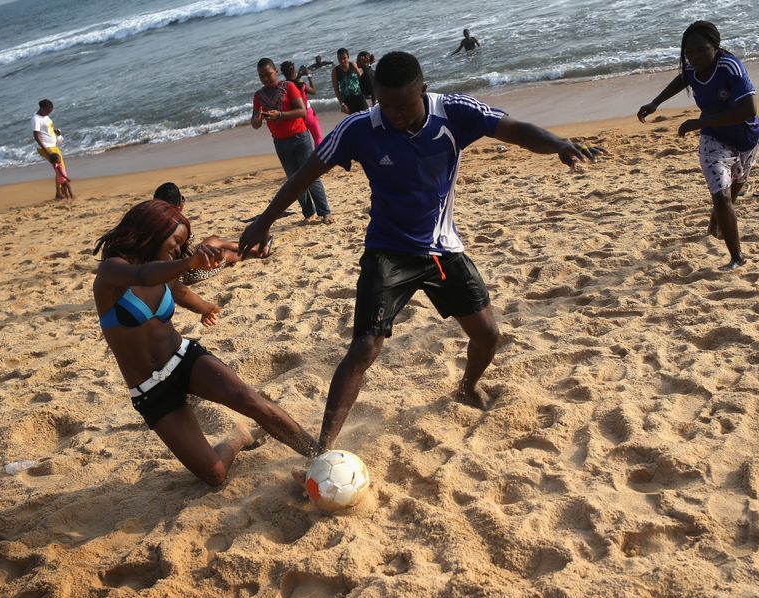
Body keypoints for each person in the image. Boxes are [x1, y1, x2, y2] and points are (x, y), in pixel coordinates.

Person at [240, 51, 600, 456]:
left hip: (441, 249)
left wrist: (559, 144)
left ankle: (467, 387)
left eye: (404, 106)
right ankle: (324, 448)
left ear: (423, 92)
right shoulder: (359, 127)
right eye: (385, 105)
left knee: (488, 335)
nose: (394, 115)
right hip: (387, 251)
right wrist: (264, 221)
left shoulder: (455, 112)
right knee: (364, 347)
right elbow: (305, 173)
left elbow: (515, 129)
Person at [93, 199, 319, 485]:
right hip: (150, 390)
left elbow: (180, 292)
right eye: (176, 241)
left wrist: (205, 308)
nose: (178, 248)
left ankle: (319, 455)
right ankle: (238, 436)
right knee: (214, 475)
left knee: (251, 401)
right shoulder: (112, 271)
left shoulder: (166, 270)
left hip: (185, 360)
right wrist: (188, 262)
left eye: (183, 244)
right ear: (151, 231)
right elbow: (142, 276)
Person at [637, 20, 759, 271]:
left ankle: (716, 222)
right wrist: (655, 103)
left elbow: (748, 110)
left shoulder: (731, 68)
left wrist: (699, 121)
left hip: (747, 137)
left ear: (715, 47)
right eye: (689, 52)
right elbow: (683, 78)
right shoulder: (692, 68)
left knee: (735, 187)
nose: (694, 57)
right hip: (713, 138)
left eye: (701, 50)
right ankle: (736, 257)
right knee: (721, 195)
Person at [251, 58, 334, 224]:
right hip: (280, 142)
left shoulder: (288, 86)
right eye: (262, 76)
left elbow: (302, 111)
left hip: (299, 137)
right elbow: (255, 124)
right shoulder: (258, 96)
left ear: (276, 71)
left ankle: (325, 212)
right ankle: (308, 213)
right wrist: (259, 117)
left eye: (268, 74)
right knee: (293, 180)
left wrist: (279, 115)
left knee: (310, 176)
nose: (266, 79)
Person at [152, 182, 272, 284]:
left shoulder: (152, 220)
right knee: (225, 255)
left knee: (213, 241)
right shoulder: (178, 224)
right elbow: (186, 253)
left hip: (164, 268)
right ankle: (256, 251)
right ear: (180, 203)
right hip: (184, 273)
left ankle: (253, 247)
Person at [32, 99, 68, 200]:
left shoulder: (44, 115)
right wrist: (48, 152)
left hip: (53, 145)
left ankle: (60, 192)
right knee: (60, 169)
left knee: (61, 169)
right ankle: (60, 193)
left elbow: (48, 127)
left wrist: (55, 131)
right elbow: (36, 136)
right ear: (42, 109)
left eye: (50, 111)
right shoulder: (36, 119)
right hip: (47, 148)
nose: (49, 113)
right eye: (48, 111)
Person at [282, 61, 323, 146]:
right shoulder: (302, 85)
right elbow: (313, 91)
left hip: (295, 118)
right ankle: (319, 157)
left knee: (304, 143)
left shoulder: (283, 87)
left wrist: (299, 75)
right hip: (308, 114)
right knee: (318, 138)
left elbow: (292, 82)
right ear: (294, 71)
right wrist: (309, 76)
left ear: (283, 73)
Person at [332, 48, 367, 115]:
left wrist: (356, 68)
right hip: (347, 100)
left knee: (365, 116)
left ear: (348, 57)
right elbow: (336, 89)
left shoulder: (353, 65)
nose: (342, 61)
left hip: (359, 96)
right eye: (340, 59)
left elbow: (362, 80)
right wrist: (342, 104)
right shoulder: (336, 71)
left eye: (344, 58)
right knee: (354, 121)